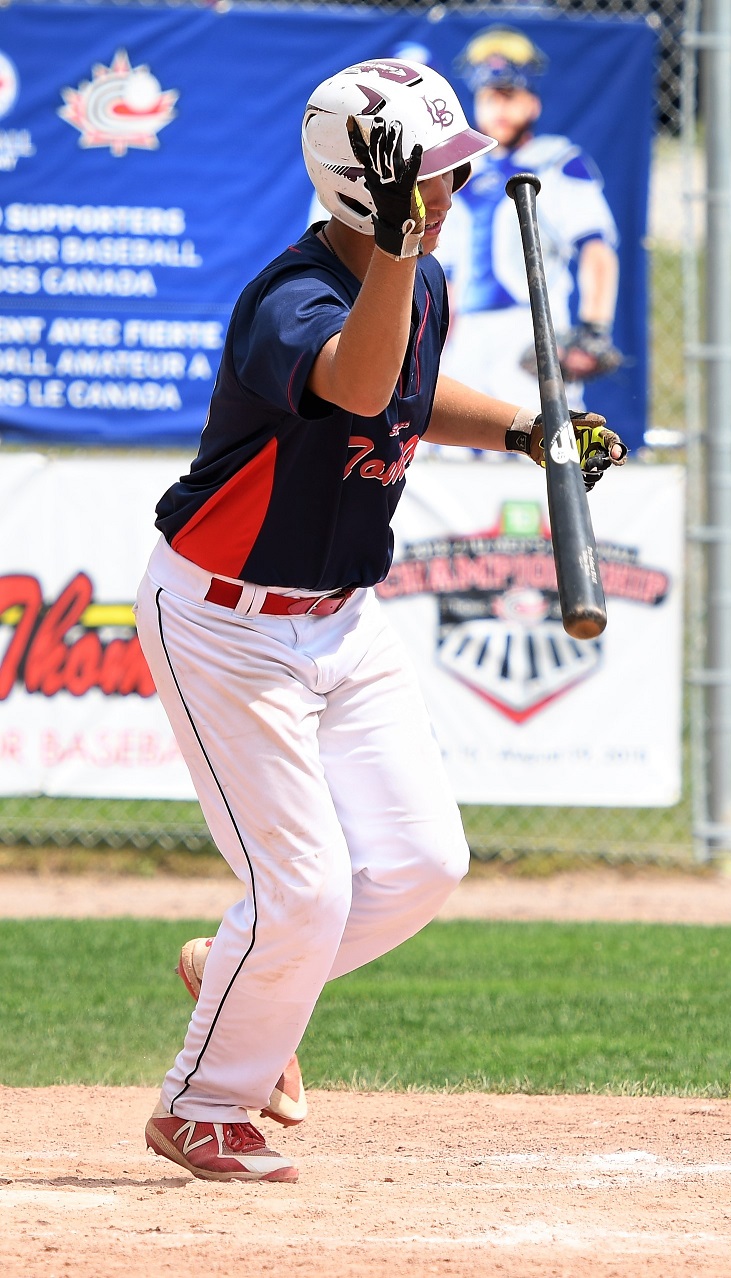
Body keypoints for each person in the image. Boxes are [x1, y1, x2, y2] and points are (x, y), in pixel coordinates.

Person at [135, 57, 626, 1185]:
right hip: (227, 623)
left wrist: (523, 428)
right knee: (304, 889)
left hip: (342, 616)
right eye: (432, 176)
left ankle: (235, 977)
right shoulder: (288, 301)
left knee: (418, 863)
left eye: (456, 173)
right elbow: (356, 383)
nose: (450, 192)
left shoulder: (426, 281)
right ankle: (204, 1105)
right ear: (366, 187)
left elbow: (406, 395)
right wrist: (401, 255)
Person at [437, 26, 623, 411]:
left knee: (541, 441)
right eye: (489, 97)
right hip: (465, 335)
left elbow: (596, 248)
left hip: (532, 327)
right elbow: (450, 272)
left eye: (509, 96)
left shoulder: (557, 163)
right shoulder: (460, 170)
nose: (498, 109)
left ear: (532, 103)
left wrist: (593, 328)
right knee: (445, 451)